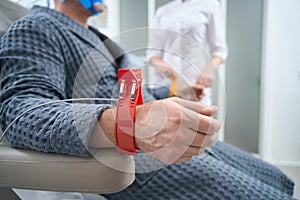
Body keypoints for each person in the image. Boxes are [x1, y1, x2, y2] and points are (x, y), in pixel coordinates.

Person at [0, 0, 294, 199]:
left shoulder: (104, 41)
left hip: (162, 143)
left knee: (271, 175)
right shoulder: (36, 28)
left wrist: (176, 95)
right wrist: (131, 124)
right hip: (131, 159)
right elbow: (22, 112)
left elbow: (135, 96)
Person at [147, 0, 228, 105]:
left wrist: (210, 70)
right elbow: (152, 53)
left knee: (200, 120)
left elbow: (220, 50)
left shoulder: (210, 5)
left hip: (196, 86)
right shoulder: (162, 12)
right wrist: (159, 64)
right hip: (167, 87)